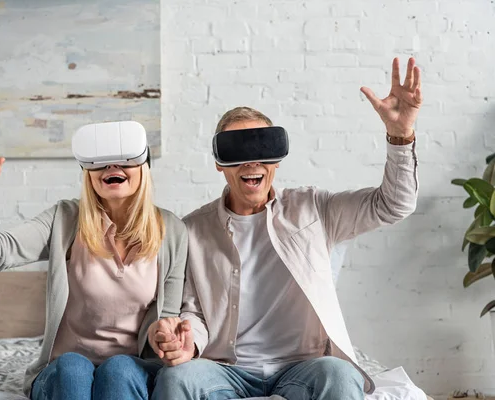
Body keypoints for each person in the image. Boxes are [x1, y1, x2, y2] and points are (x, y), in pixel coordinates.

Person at [150, 57, 421, 400]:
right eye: (237, 152)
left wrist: (400, 137)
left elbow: (392, 205)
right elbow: (194, 312)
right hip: (227, 370)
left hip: (302, 367)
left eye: (263, 149)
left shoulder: (314, 208)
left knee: (338, 374)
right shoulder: (191, 230)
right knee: (176, 380)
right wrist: (189, 340)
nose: (252, 162)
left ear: (277, 159)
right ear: (220, 163)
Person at [0, 125, 188, 400]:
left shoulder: (171, 231)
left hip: (132, 368)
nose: (111, 166)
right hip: (63, 371)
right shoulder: (64, 219)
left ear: (144, 165)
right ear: (87, 172)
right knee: (73, 368)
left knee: (119, 369)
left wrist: (168, 337)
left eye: (123, 159)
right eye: (99, 161)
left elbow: (167, 315)